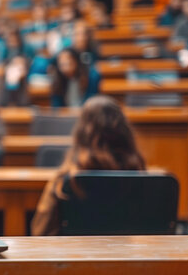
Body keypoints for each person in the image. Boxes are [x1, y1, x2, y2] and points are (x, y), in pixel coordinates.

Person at [31, 95, 146, 236]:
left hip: (74, 256)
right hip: (125, 256)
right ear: (124, 132)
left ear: (81, 132)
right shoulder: (143, 179)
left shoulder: (66, 180)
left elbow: (39, 230)